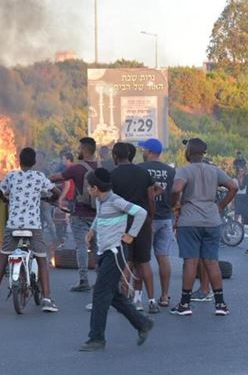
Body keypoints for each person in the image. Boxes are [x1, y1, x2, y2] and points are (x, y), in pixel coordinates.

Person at [78, 168, 154, 351]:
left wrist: (131, 235)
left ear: (96, 188)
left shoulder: (115, 201)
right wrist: (92, 230)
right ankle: (142, 323)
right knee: (114, 296)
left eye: (89, 187)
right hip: (104, 252)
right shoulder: (100, 200)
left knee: (100, 294)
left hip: (115, 253)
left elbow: (141, 213)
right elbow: (99, 216)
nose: (88, 190)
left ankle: (96, 338)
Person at [0, 147, 60, 313]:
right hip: (33, 226)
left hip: (13, 225)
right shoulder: (39, 177)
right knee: (41, 259)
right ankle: (47, 299)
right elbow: (56, 191)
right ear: (34, 162)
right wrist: (50, 198)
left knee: (3, 259)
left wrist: (6, 199)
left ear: (19, 161)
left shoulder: (12, 175)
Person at [169, 138, 237, 317]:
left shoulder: (184, 170)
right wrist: (220, 206)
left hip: (190, 221)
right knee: (211, 262)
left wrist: (175, 205)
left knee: (190, 261)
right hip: (212, 220)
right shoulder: (215, 171)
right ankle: (221, 304)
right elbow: (233, 187)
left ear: (188, 153)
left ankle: (184, 304)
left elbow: (176, 188)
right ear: (203, 153)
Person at [108, 143, 157, 314]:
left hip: (121, 223)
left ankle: (126, 300)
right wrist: (151, 218)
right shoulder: (143, 173)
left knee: (126, 262)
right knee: (144, 262)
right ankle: (151, 301)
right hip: (142, 221)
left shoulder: (112, 175)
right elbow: (151, 198)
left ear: (115, 155)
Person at [49, 137, 99, 292]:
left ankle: (83, 280)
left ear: (84, 149)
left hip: (80, 213)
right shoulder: (101, 167)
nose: (77, 151)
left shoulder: (77, 168)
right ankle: (100, 280)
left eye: (79, 148)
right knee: (99, 248)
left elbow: (57, 178)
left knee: (81, 247)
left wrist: (41, 179)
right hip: (99, 214)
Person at [138, 138, 175, 309]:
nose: (142, 152)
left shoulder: (140, 169)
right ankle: (165, 295)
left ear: (150, 151)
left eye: (144, 149)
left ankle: (137, 296)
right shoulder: (170, 171)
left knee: (141, 258)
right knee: (164, 257)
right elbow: (176, 193)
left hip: (146, 218)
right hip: (166, 217)